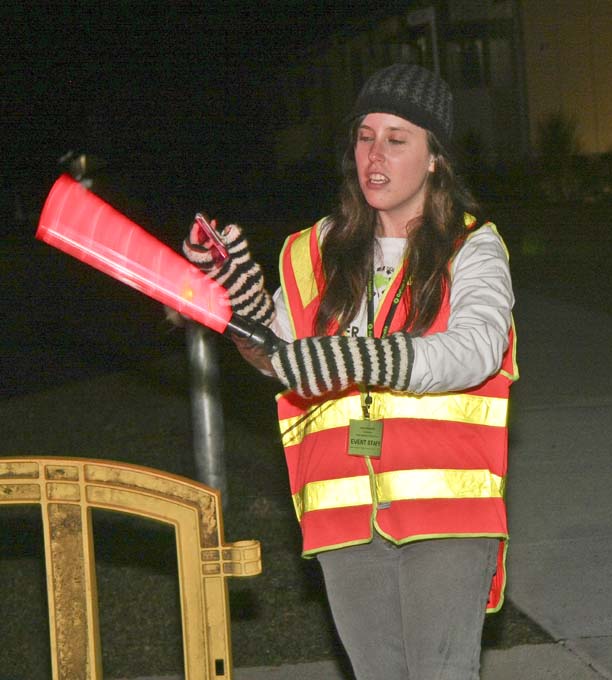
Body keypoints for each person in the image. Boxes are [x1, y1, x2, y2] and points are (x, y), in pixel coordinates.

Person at [183, 63, 518, 680]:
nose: (374, 154)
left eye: (397, 139)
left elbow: (477, 349)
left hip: (445, 512)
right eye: (365, 136)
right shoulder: (312, 249)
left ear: (435, 157)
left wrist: (363, 356)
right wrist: (237, 306)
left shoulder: (473, 247)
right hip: (342, 515)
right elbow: (277, 358)